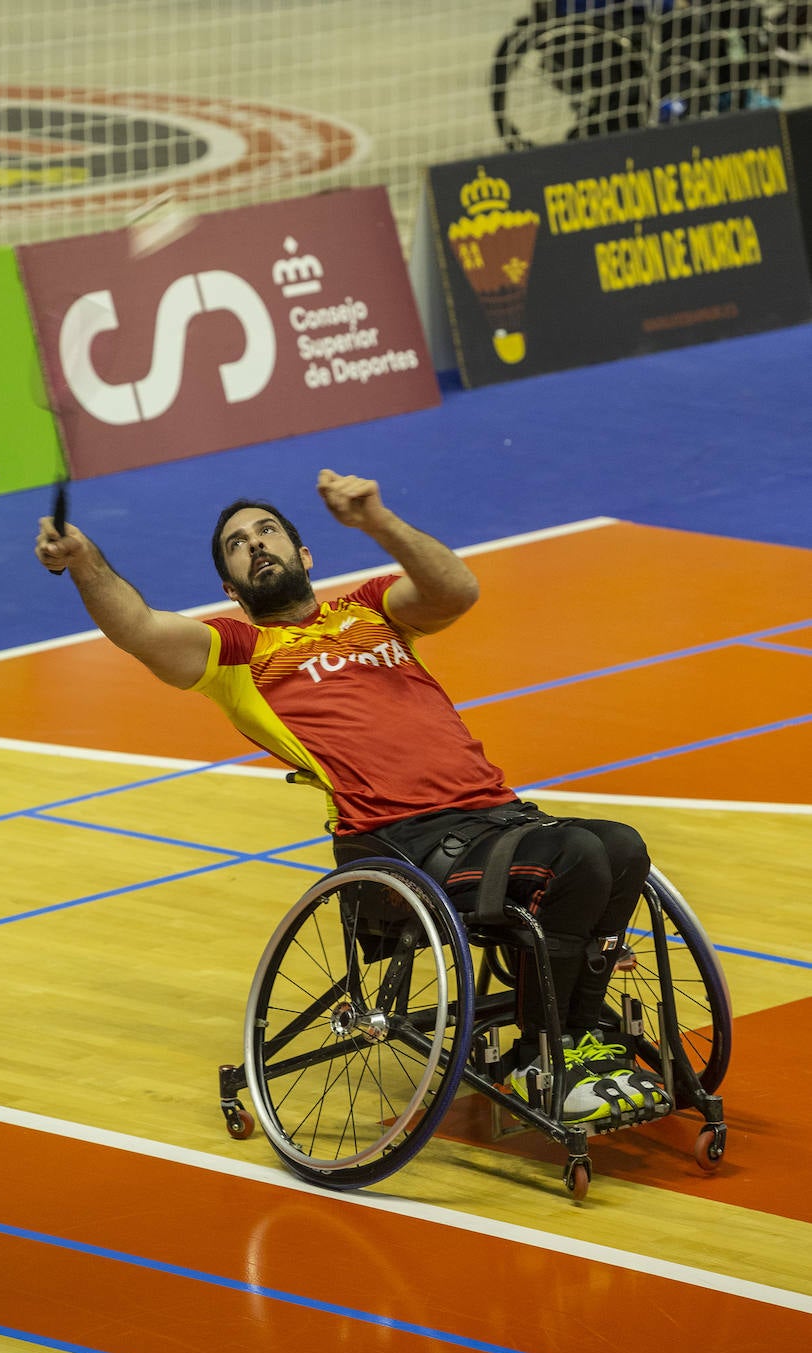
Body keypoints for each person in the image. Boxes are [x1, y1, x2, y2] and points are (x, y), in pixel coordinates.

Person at [35, 468, 661, 1125]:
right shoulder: (238, 652)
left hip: (495, 815)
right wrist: (84, 560)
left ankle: (583, 1040)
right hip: (404, 845)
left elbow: (458, 590)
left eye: (267, 531)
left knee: (621, 847)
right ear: (230, 587)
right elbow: (137, 627)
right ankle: (551, 1053)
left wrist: (376, 522)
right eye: (237, 545)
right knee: (580, 858)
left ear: (304, 555)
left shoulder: (371, 609)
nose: (255, 544)